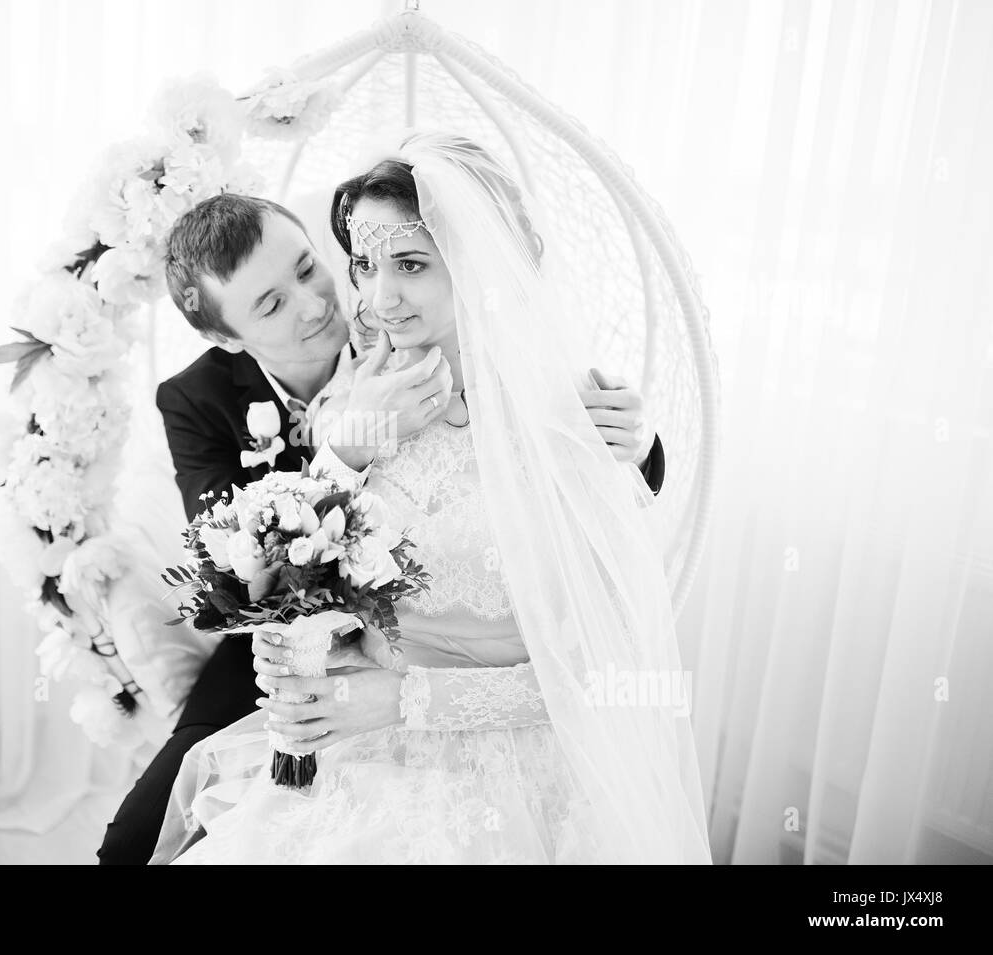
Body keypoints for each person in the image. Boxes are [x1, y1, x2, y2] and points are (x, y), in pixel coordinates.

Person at [145, 132, 711, 864]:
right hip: (355, 734)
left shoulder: (571, 423)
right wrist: (303, 650)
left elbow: (602, 678)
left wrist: (402, 700)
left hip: (502, 766)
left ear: (480, 264)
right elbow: (296, 577)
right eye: (366, 264)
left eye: (410, 264)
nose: (376, 298)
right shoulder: (361, 395)